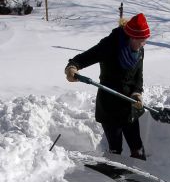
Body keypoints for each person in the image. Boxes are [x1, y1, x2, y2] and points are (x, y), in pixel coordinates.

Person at [64, 13, 150, 160]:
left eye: (145, 41)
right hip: (110, 106)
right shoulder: (110, 45)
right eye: (141, 41)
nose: (144, 44)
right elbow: (84, 58)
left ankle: (140, 179)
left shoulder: (139, 50)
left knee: (137, 148)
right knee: (115, 149)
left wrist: (137, 93)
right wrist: (72, 67)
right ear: (132, 37)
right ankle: (114, 177)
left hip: (130, 105)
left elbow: (138, 77)